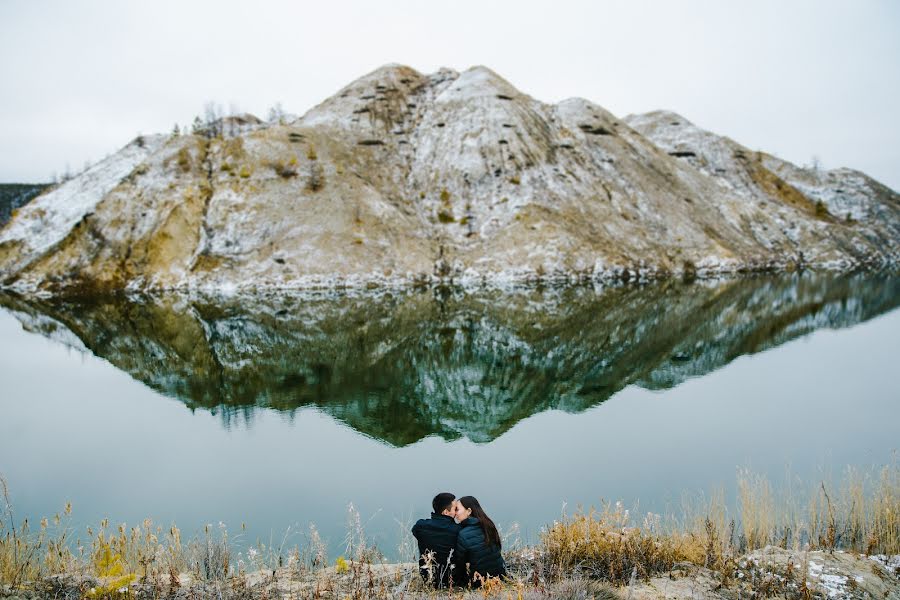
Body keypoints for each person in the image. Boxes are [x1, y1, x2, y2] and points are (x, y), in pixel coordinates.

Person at [453, 496, 507, 586]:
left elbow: (460, 563)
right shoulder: (488, 525)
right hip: (500, 576)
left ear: (469, 511)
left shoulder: (463, 534)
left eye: (457, 509)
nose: (455, 513)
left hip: (480, 581)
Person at [411, 492, 461, 588]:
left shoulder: (420, 526)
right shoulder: (458, 530)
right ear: (446, 512)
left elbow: (415, 531)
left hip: (428, 577)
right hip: (452, 580)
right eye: (455, 509)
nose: (457, 512)